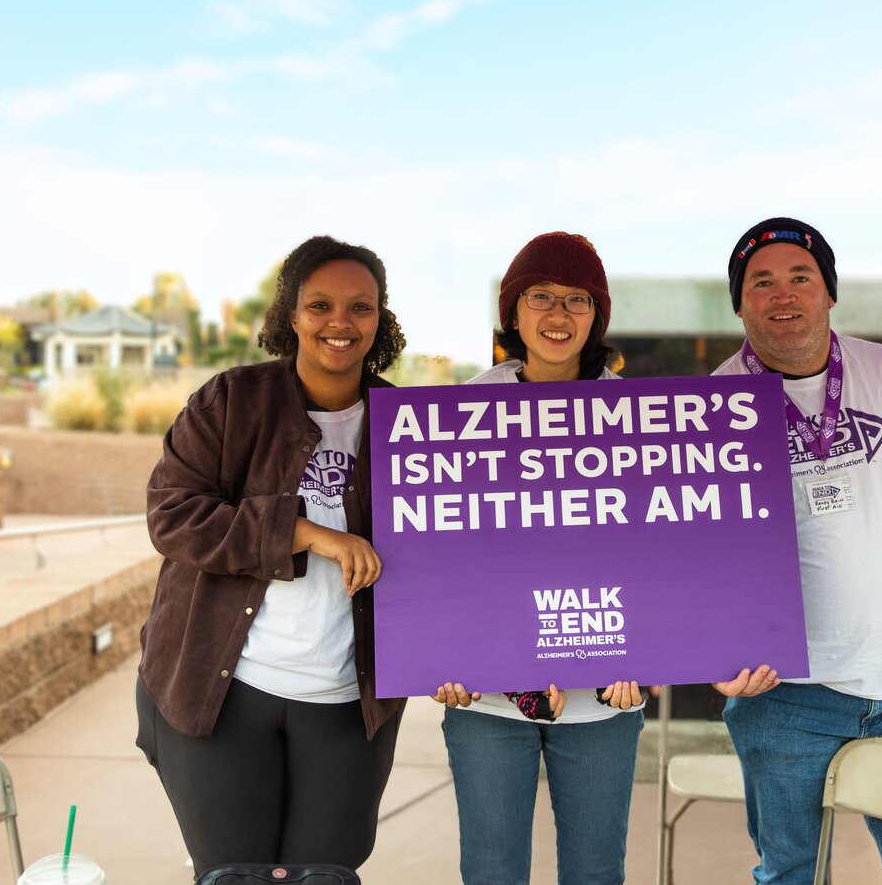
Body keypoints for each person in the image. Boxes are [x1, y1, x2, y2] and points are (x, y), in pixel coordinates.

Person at [714, 217, 882, 885]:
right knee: (789, 874)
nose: (784, 294)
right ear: (741, 302)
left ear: (828, 292)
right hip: (783, 698)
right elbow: (688, 552)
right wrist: (713, 653)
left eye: (800, 277)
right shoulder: (711, 406)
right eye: (763, 282)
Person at [135, 235, 408, 876]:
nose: (340, 323)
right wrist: (305, 532)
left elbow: (453, 545)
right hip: (225, 691)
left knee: (326, 875)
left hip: (347, 699)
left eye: (360, 307)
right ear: (292, 315)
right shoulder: (231, 402)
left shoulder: (406, 425)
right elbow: (172, 514)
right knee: (236, 875)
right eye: (320, 305)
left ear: (380, 319)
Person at [432, 231, 646, 885]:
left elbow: (658, 553)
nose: (558, 315)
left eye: (578, 299)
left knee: (595, 873)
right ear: (514, 312)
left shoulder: (641, 416)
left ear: (597, 315)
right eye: (540, 297)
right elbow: (444, 555)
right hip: (490, 699)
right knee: (492, 872)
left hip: (606, 696)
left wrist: (648, 651)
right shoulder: (461, 412)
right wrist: (444, 652)